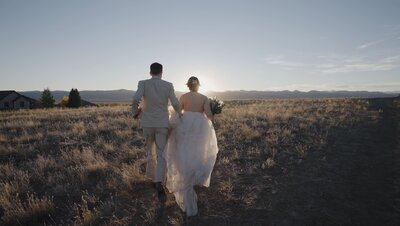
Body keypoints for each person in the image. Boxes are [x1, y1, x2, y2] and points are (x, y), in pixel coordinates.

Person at [165, 76, 219, 217]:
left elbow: (178, 112)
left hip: (185, 126)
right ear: (198, 86)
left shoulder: (183, 96)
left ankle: (186, 178)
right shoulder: (204, 98)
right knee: (198, 152)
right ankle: (192, 178)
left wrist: (171, 127)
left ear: (188, 86)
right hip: (200, 128)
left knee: (184, 152)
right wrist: (215, 111)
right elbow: (209, 116)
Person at [132, 62, 181, 201]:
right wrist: (180, 113)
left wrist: (135, 113)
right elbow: (175, 102)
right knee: (161, 154)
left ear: (150, 72)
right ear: (162, 72)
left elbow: (136, 99)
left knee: (150, 152)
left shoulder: (143, 83)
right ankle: (159, 181)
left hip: (147, 124)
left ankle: (154, 179)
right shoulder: (168, 85)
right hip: (162, 124)